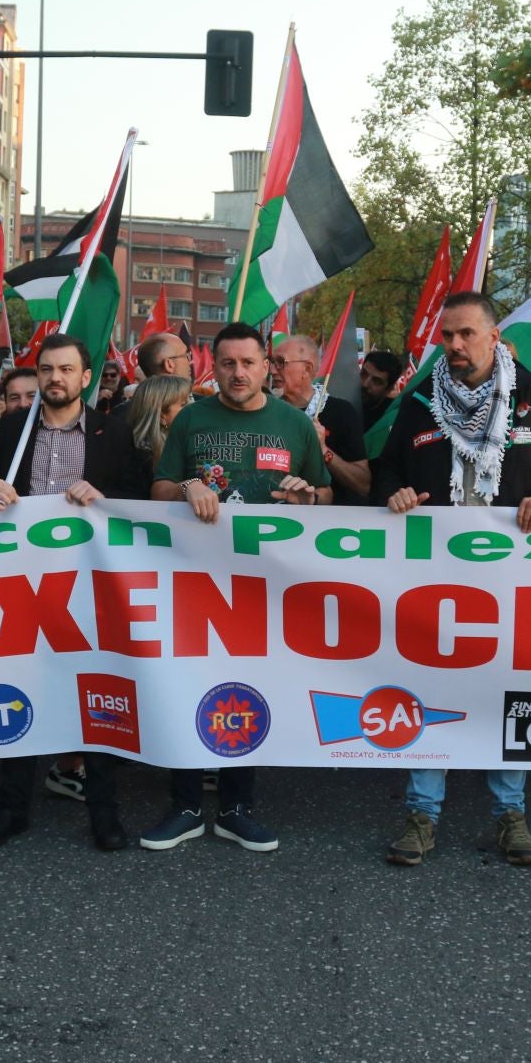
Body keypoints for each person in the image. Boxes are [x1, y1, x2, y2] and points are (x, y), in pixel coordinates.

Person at [373, 291, 531, 868]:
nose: (455, 347)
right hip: (435, 577)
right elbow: (387, 467)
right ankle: (422, 813)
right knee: (431, 687)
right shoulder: (418, 404)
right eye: (447, 337)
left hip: (514, 577)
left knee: (508, 691)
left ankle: (509, 813)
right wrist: (396, 490)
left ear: (494, 337)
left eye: (466, 334)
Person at [144, 321, 330, 854]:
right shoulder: (192, 421)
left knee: (249, 689)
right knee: (186, 683)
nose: (238, 373)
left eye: (248, 362)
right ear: (214, 367)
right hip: (194, 578)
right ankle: (183, 806)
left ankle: (235, 807)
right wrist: (187, 485)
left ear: (266, 366)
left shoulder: (293, 424)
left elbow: (327, 497)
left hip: (264, 584)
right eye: (227, 363)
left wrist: (306, 500)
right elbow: (156, 488)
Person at [0, 332, 152, 852]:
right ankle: (11, 808)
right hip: (23, 584)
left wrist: (105, 496)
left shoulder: (112, 432)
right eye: (47, 369)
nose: (55, 378)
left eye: (66, 369)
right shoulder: (13, 429)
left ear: (85, 377)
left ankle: (105, 812)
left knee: (96, 693)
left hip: (91, 585)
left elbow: (141, 497)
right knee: (19, 689)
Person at [272, 333, 372, 503]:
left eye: (281, 362)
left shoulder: (340, 411)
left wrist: (324, 451)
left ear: (307, 369)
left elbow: (363, 484)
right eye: (272, 362)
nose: (272, 370)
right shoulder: (267, 409)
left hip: (325, 523)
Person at [126, 373, 193, 466]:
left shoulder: (194, 441)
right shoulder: (138, 459)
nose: (193, 407)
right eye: (183, 404)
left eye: (190, 400)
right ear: (161, 416)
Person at [358, 349, 404, 429]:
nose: (365, 384)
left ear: (389, 389)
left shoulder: (393, 420)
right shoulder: (341, 406)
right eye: (363, 374)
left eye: (376, 381)